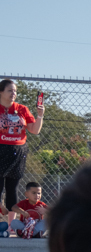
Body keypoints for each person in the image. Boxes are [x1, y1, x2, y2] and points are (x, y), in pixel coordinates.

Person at [0, 80, 44, 217]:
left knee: (12, 188)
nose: (13, 93)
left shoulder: (22, 109)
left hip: (18, 152)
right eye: (10, 90)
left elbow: (34, 130)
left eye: (15, 91)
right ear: (1, 92)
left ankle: (11, 224)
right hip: (1, 150)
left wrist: (40, 115)